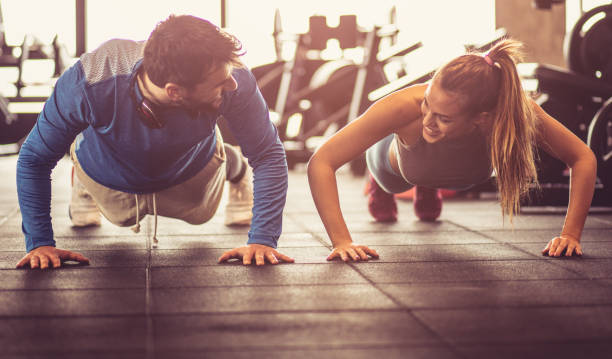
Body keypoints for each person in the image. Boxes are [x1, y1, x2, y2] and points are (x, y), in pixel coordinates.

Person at [15, 15, 294, 269]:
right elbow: (34, 158)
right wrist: (40, 243)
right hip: (108, 171)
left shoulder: (233, 77)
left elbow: (267, 153)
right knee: (120, 217)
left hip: (192, 167)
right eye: (220, 85)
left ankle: (235, 167)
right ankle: (84, 183)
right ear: (174, 92)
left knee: (201, 213)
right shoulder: (88, 81)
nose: (231, 86)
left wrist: (263, 240)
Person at [307, 39, 597, 262]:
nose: (427, 121)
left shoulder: (513, 114)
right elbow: (322, 162)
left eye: (443, 117)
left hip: (460, 173)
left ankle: (428, 186)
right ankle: (384, 186)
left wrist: (570, 234)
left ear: (482, 118)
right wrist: (341, 241)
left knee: (441, 171)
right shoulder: (405, 106)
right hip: (395, 165)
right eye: (427, 105)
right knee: (393, 179)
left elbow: (582, 157)